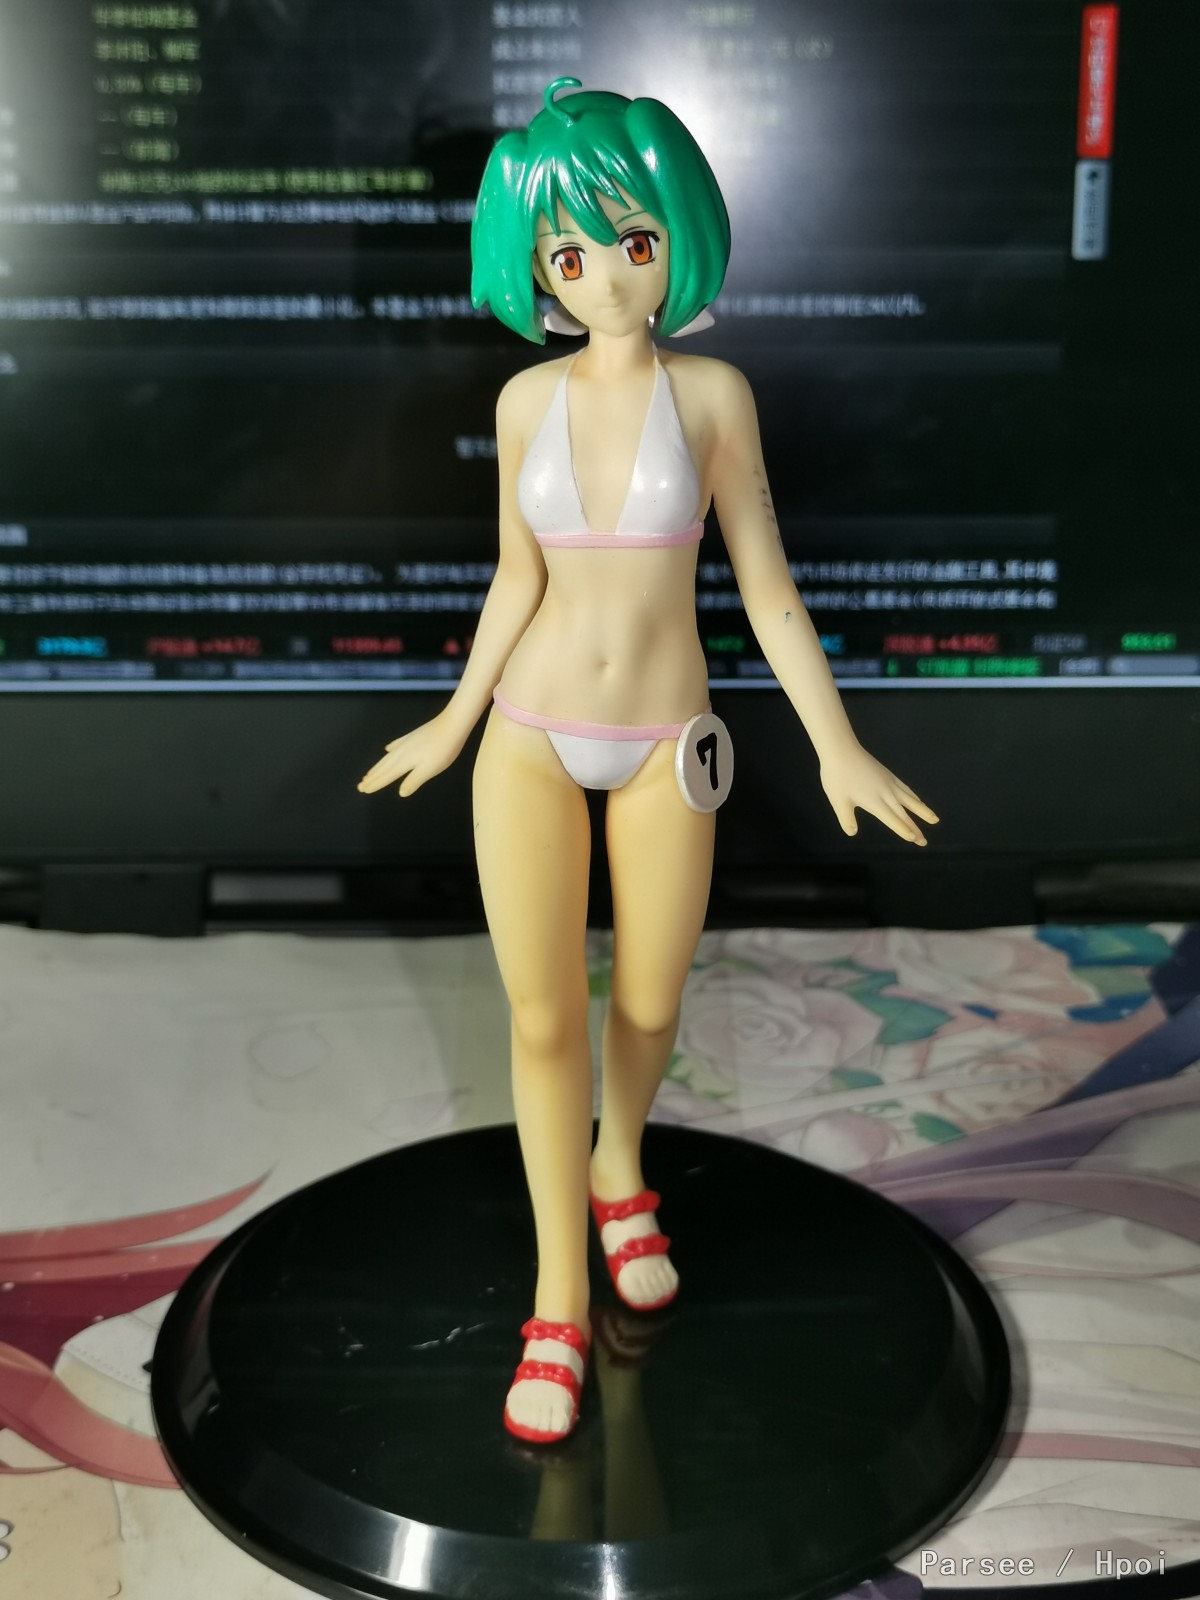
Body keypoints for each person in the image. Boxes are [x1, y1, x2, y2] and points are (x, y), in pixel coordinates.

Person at [357, 77, 939, 1444]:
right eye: (570, 255)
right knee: (542, 1018)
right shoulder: (523, 404)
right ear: (536, 271)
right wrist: (453, 719)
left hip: (669, 743)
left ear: (678, 237)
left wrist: (838, 745)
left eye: (633, 242)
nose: (609, 279)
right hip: (529, 738)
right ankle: (557, 1297)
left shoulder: (716, 395)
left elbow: (767, 585)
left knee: (652, 999)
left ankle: (619, 1163)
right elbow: (514, 580)